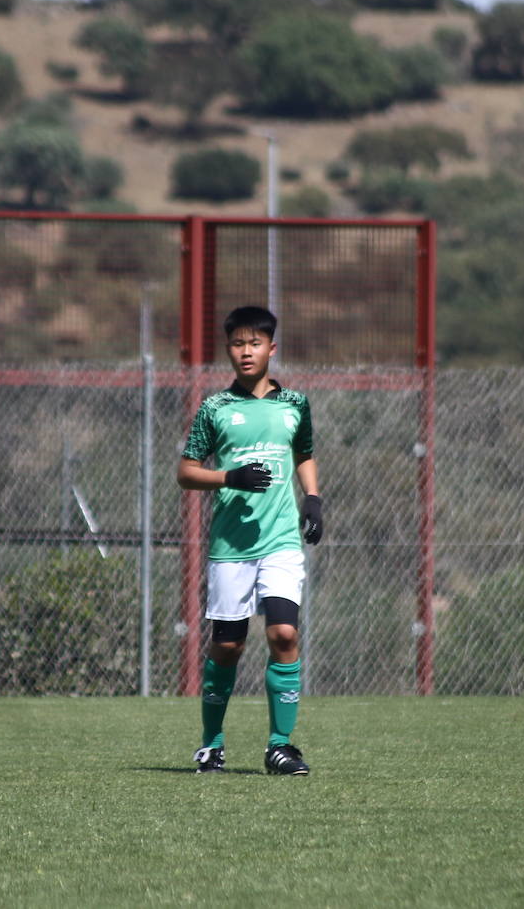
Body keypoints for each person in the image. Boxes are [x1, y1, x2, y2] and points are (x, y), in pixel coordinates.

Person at [178, 305, 322, 776]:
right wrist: (229, 477)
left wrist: (313, 499)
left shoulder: (295, 404)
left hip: (281, 541)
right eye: (237, 344)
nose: (245, 352)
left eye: (254, 343)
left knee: (284, 634)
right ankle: (211, 744)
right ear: (229, 349)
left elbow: (304, 452)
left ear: (271, 349)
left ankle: (281, 746)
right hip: (231, 548)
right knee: (228, 647)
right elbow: (186, 472)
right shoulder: (216, 408)